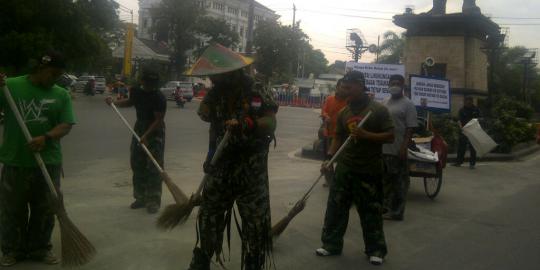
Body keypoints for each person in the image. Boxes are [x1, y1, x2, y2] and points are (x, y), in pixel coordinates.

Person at [188, 44, 278, 270]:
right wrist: (210, 155)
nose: (211, 79)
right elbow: (213, 125)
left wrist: (248, 124)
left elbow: (271, 122)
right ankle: (201, 260)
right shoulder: (215, 92)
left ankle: (254, 263)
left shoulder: (256, 89)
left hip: (251, 168)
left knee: (255, 222)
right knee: (209, 215)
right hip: (221, 165)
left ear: (231, 72)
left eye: (216, 75)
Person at [0, 51, 76, 266]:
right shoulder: (10, 86)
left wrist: (46, 137)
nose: (55, 79)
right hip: (16, 161)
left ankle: (40, 248)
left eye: (59, 75)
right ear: (40, 69)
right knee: (12, 210)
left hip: (49, 162)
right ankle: (11, 250)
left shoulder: (61, 94)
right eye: (53, 74)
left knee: (45, 210)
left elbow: (67, 124)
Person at [316, 71, 394, 266]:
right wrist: (329, 158)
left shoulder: (378, 111)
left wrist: (366, 134)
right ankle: (331, 244)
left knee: (371, 211)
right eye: (343, 86)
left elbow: (390, 136)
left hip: (369, 169)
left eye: (349, 87)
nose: (345, 90)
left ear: (360, 85)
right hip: (345, 168)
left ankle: (376, 249)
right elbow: (337, 138)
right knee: (336, 208)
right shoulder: (344, 112)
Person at [105, 66, 166, 214]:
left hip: (155, 130)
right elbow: (130, 102)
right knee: (137, 163)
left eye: (153, 83)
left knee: (154, 166)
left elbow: (158, 120)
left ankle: (153, 200)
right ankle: (141, 198)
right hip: (139, 127)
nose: (151, 85)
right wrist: (114, 102)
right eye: (148, 82)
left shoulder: (159, 97)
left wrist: (145, 136)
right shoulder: (137, 91)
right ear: (142, 81)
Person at [381, 75, 418, 221]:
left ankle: (397, 212)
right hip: (383, 149)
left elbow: (410, 128)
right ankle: (385, 207)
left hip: (397, 150)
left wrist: (404, 147)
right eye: (392, 83)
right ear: (388, 85)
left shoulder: (408, 104)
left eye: (398, 83)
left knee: (399, 183)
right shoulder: (384, 102)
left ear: (403, 86)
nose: (394, 85)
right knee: (385, 181)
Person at [320, 79, 348, 186]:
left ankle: (340, 180)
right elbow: (324, 111)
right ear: (337, 87)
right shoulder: (330, 99)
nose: (345, 90)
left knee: (343, 159)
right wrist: (326, 116)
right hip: (330, 134)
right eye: (342, 87)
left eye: (346, 88)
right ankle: (329, 180)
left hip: (343, 135)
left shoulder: (349, 101)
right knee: (328, 158)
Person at [453, 96, 481, 169]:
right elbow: (459, 120)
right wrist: (461, 127)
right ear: (465, 102)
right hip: (464, 130)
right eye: (466, 101)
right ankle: (458, 162)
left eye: (469, 101)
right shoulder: (462, 110)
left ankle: (472, 164)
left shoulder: (476, 109)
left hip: (473, 130)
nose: (468, 103)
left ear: (472, 102)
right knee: (461, 146)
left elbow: (479, 119)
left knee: (473, 147)